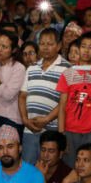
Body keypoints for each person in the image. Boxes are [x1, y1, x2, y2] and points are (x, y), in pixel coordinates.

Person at [19, 28, 72, 165]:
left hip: (52, 128)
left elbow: (65, 101)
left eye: (49, 44)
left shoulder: (67, 69)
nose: (45, 47)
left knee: (50, 171)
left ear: (59, 46)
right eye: (42, 43)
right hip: (30, 128)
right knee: (28, 171)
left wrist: (47, 119)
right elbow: (22, 96)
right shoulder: (31, 68)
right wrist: (25, 120)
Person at [57, 31, 91, 167]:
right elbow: (62, 106)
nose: (86, 50)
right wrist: (61, 134)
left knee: (89, 169)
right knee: (70, 169)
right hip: (69, 130)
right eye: (83, 46)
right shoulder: (67, 73)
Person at [0, 29, 26, 154]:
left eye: (4, 47)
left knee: (7, 158)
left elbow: (8, 95)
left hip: (10, 119)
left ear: (13, 50)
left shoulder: (19, 67)